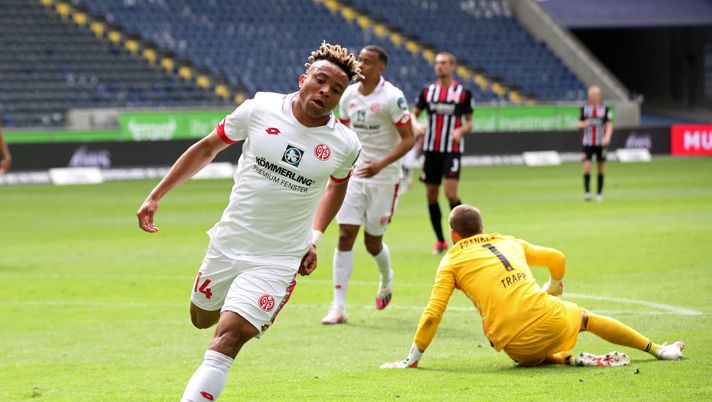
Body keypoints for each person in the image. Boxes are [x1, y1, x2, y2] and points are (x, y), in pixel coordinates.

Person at [136, 43, 362, 401]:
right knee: (202, 318)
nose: (326, 92)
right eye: (321, 81)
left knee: (227, 337)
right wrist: (156, 195)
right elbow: (208, 147)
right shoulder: (260, 108)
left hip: (278, 259)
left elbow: (337, 187)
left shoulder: (345, 144)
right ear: (303, 79)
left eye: (336, 90)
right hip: (228, 242)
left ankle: (261, 306)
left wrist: (314, 237)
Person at [380, 204, 684, 369]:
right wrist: (552, 283)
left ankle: (564, 357)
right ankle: (657, 350)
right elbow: (558, 257)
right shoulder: (509, 241)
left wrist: (413, 358)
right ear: (482, 229)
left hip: (518, 348)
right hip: (553, 319)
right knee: (587, 319)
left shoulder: (450, 261)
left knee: (508, 336)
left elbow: (434, 313)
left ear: (454, 234)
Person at [321, 45, 415, 324]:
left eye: (368, 61)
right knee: (344, 235)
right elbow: (345, 134)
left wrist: (381, 163)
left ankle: (387, 278)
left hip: (384, 177)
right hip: (354, 175)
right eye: (360, 59)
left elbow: (409, 138)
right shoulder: (348, 94)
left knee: (372, 243)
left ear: (381, 68)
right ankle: (338, 307)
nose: (361, 65)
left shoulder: (392, 97)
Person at [413, 52, 474, 254]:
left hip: (452, 150)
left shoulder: (463, 93)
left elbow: (470, 123)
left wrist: (460, 130)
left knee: (450, 193)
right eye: (437, 63)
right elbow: (413, 116)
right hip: (431, 150)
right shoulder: (427, 92)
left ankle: (467, 237)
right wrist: (417, 126)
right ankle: (440, 241)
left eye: (444, 63)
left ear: (452, 66)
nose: (439, 66)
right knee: (431, 195)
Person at [577, 85, 613, 202]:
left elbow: (609, 124)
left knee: (601, 168)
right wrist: (585, 123)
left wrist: (607, 137)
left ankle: (599, 193)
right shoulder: (584, 108)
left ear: (598, 95)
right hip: (587, 142)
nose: (591, 97)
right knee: (587, 167)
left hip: (600, 143)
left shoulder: (605, 109)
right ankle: (587, 193)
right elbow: (578, 124)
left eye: (594, 94)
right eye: (590, 95)